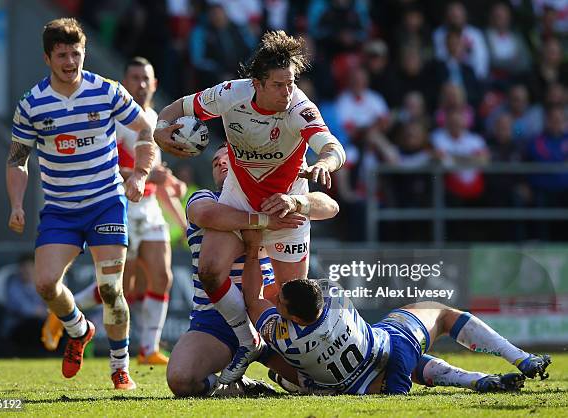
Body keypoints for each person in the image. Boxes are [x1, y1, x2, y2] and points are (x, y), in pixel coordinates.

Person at [154, 30, 346, 384]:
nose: (287, 92)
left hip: (286, 208)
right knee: (211, 269)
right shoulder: (230, 94)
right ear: (255, 83)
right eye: (278, 85)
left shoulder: (300, 108)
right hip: (240, 195)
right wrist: (160, 128)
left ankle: (310, 372)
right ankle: (248, 341)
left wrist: (326, 163)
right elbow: (178, 107)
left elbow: (333, 146)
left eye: (291, 83)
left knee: (294, 303)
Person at [6, 18, 156, 390]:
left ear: (84, 53)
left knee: (110, 288)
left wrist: (139, 173)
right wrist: (15, 204)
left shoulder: (106, 91)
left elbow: (145, 130)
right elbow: (16, 159)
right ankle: (79, 328)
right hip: (60, 209)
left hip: (106, 201)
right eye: (62, 55)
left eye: (76, 53)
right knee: (44, 284)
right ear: (48, 58)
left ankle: (120, 368)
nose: (71, 61)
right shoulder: (32, 103)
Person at [240, 230, 552, 395]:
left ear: (294, 318)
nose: (277, 303)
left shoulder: (286, 338)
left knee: (279, 368)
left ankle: (474, 380)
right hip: (388, 347)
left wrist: (253, 249)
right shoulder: (333, 295)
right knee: (441, 314)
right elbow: (299, 292)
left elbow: (255, 302)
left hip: (360, 386)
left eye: (280, 302)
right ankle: (520, 358)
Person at [40, 57, 187, 365]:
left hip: (148, 207)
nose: (141, 84)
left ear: (155, 84)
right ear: (125, 81)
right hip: (119, 205)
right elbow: (103, 167)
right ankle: (63, 312)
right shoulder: (118, 119)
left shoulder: (153, 118)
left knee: (163, 277)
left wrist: (172, 191)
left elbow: (152, 171)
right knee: (120, 286)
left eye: (146, 78)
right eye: (134, 78)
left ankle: (149, 349)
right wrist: (142, 173)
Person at [166, 143, 340, 397]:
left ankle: (280, 371)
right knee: (181, 381)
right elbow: (205, 214)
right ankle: (240, 386)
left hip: (269, 314)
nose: (221, 164)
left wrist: (296, 202)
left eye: (227, 158)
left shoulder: (274, 199)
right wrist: (265, 221)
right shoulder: (206, 198)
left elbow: (330, 206)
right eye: (215, 162)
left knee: (322, 383)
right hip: (216, 319)